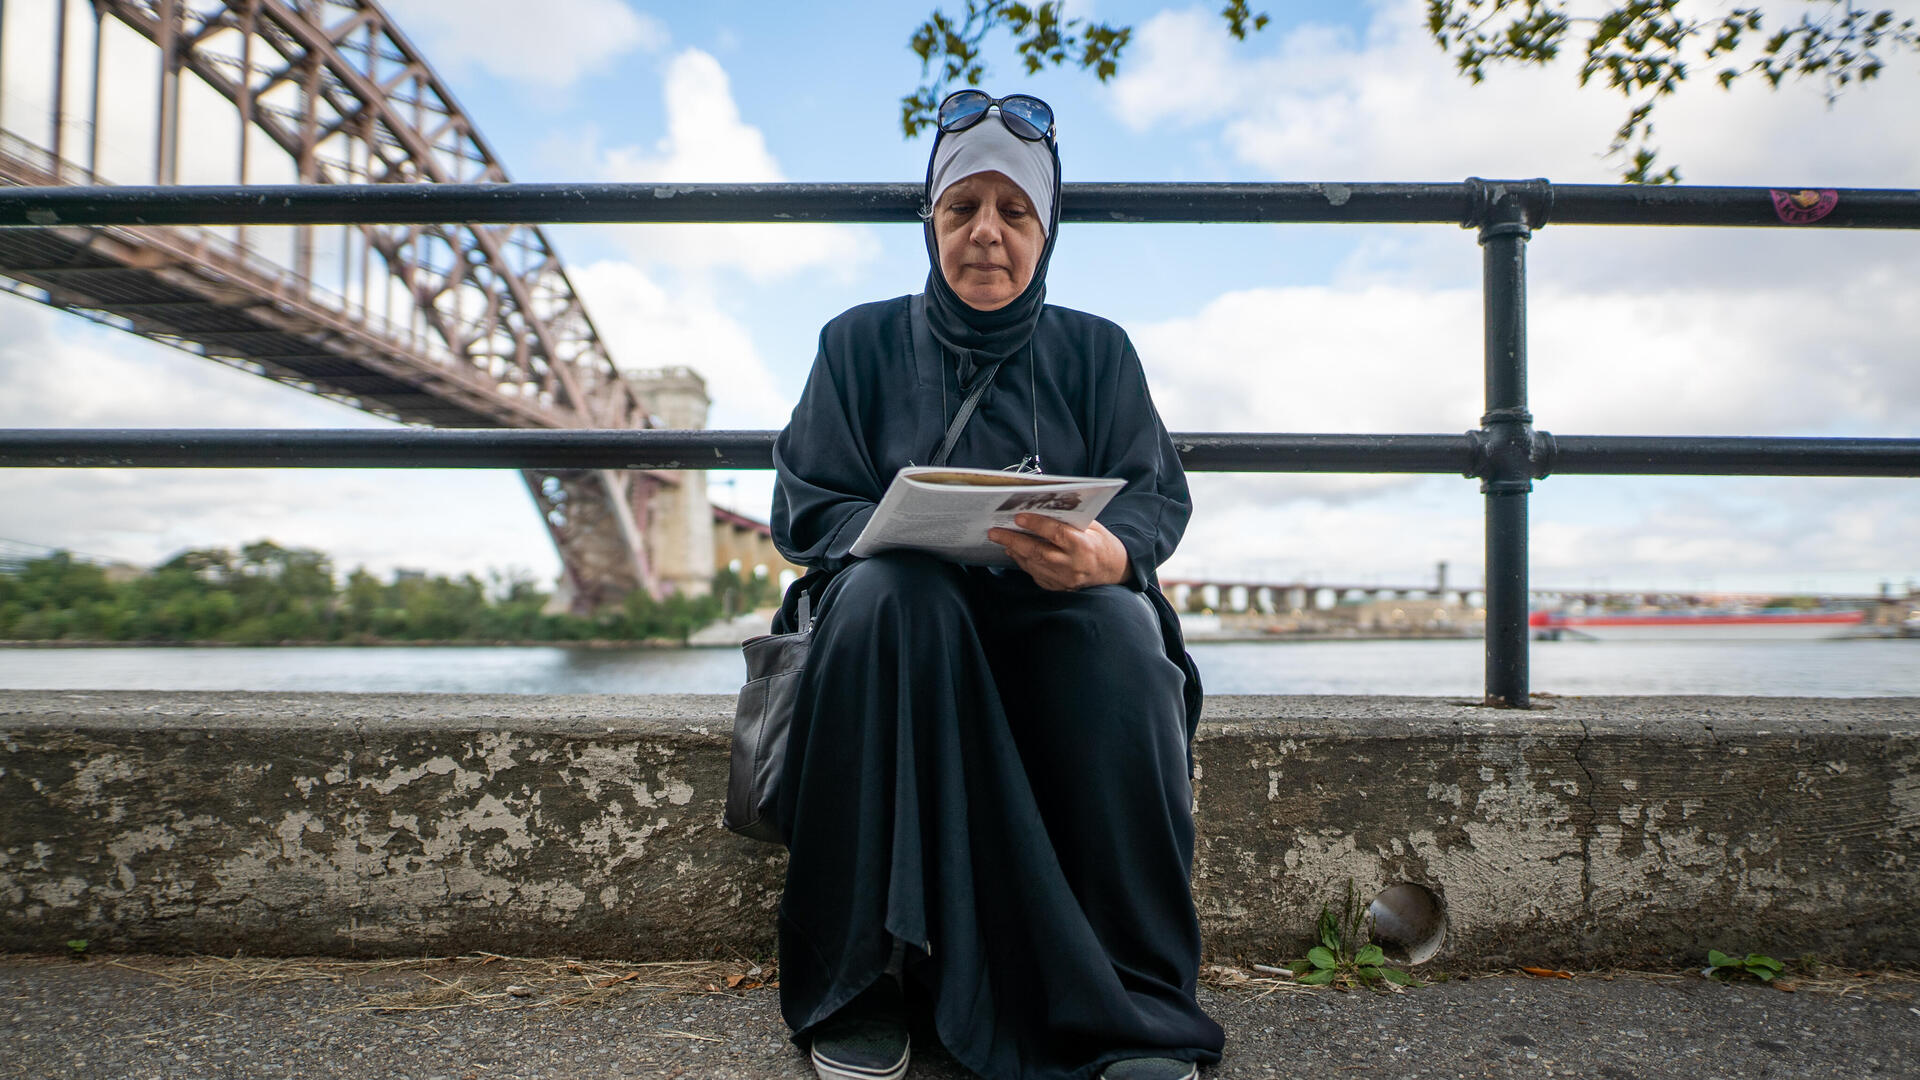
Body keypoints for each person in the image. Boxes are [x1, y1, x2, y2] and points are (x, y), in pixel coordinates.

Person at [769, 89, 1225, 1080]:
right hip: (902, 632)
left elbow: (1155, 499)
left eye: (1013, 212)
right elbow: (804, 507)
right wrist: (896, 538)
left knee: (1121, 638)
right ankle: (864, 979)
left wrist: (1106, 555)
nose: (986, 235)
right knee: (900, 599)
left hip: (1047, 620)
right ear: (928, 222)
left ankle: (1135, 1003)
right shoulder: (855, 344)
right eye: (960, 209)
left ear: (1045, 231)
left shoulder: (1098, 352)